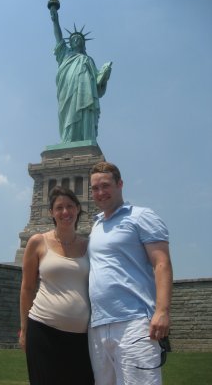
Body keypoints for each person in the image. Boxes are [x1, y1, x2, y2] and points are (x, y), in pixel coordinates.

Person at [88, 162, 173, 385]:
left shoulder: (141, 216)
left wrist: (162, 310)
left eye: (105, 186)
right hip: (98, 326)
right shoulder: (95, 225)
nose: (100, 193)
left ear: (120, 184)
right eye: (95, 188)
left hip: (134, 323)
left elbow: (161, 263)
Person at [19, 186, 94, 385]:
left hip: (82, 336)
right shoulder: (37, 241)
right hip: (42, 330)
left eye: (70, 206)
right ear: (51, 212)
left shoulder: (90, 245)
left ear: (78, 209)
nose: (65, 212)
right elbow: (27, 288)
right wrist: (24, 330)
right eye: (59, 207)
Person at [49, 0, 112, 143]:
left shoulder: (88, 60)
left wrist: (105, 75)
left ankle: (86, 138)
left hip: (86, 93)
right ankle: (68, 139)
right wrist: (55, 21)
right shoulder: (65, 54)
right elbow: (58, 38)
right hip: (67, 91)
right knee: (69, 113)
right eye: (74, 39)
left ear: (83, 44)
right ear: (70, 43)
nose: (76, 40)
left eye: (79, 39)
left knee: (85, 111)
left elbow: (97, 83)